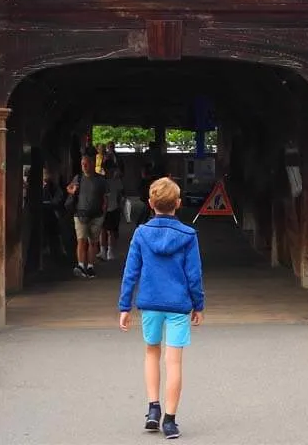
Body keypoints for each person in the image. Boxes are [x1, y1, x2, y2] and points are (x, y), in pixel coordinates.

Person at [118, 177, 205, 439]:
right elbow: (194, 274)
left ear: (150, 203)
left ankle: (152, 408)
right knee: (174, 361)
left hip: (150, 302)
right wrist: (198, 304)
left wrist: (125, 305)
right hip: (178, 304)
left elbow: (131, 272)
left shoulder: (141, 234)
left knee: (151, 352)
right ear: (178, 204)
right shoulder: (188, 236)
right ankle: (170, 420)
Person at [65, 147, 106, 278]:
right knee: (81, 240)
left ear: (92, 164)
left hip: (97, 214)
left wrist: (104, 212)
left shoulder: (101, 180)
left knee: (93, 242)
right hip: (80, 213)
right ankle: (81, 265)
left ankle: (90, 266)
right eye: (82, 164)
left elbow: (105, 197)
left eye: (86, 164)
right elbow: (69, 188)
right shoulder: (79, 178)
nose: (84, 166)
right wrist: (72, 190)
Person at [99, 158, 123, 261]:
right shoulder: (101, 180)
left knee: (111, 231)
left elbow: (120, 194)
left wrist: (119, 205)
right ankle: (104, 251)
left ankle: (109, 251)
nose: (110, 171)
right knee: (103, 231)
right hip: (104, 208)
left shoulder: (116, 181)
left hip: (113, 207)